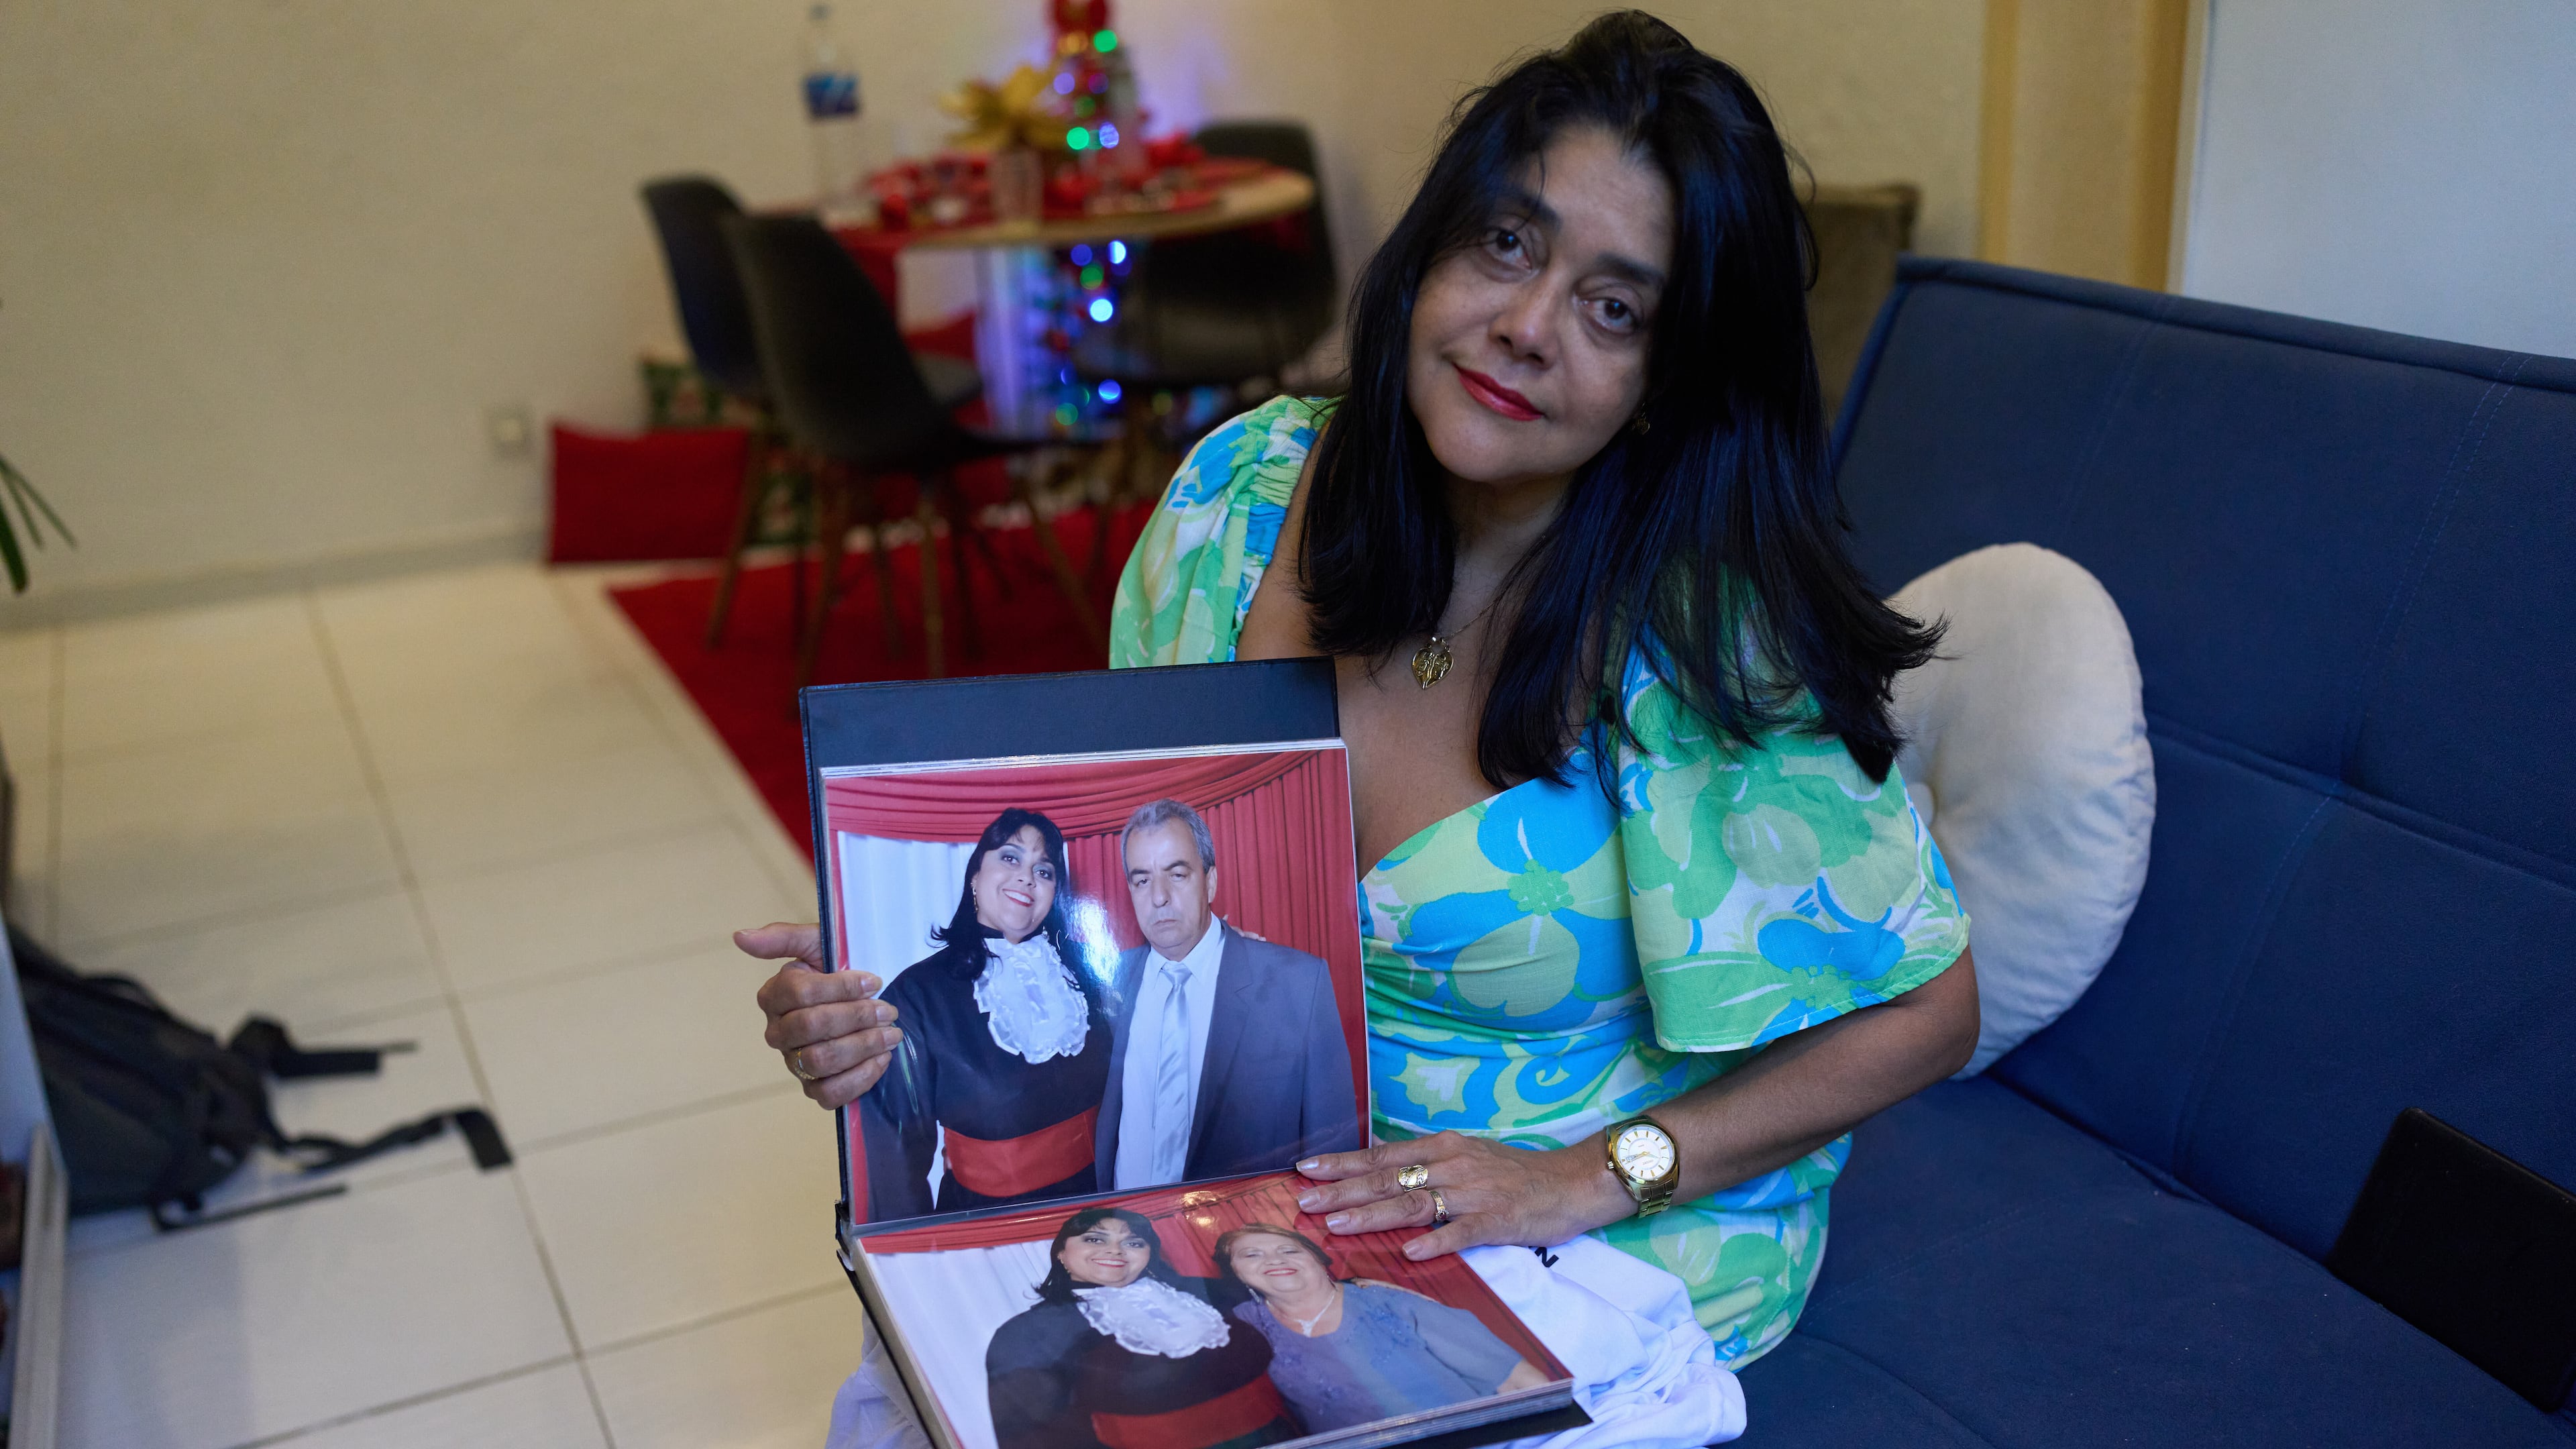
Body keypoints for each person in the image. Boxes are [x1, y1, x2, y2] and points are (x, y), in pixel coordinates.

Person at [755, 5, 1978, 1395]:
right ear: (1434, 247)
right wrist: (905, 996)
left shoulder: (1706, 635)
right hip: (1241, 1194)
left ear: (1663, 385)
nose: (1524, 326)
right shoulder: (1237, 492)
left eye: (1614, 306)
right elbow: (1124, 921)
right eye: (1507, 243)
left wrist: (1584, 1177)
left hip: (1575, 1253)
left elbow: (1930, 1008)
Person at [853, 809, 1111, 1221]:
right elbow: (895, 1160)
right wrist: (914, 1257)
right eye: (1010, 858)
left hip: (1108, 1210)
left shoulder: (1090, 970)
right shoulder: (916, 997)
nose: (1027, 877)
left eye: (1043, 871)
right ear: (975, 875)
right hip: (992, 1225)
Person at [1096, 799, 1358, 1189]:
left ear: (1211, 881)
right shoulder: (1109, 980)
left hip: (1241, 1237)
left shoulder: (1299, 985)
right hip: (1123, 1231)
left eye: (1178, 874)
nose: (1159, 897)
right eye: (1142, 880)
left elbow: (1335, 1159)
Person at [986, 1207, 1301, 1449]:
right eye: (1094, 1239)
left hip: (1287, 1436)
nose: (1115, 1250)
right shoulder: (1026, 1332)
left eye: (1133, 1242)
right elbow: (1032, 1436)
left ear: (1149, 1254)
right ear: (1061, 1254)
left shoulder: (1211, 1291)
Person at [1218, 1224, 1546, 1433]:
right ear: (1236, 1273)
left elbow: (1521, 1382)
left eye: (1289, 1250)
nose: (1274, 1260)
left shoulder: (1385, 1302)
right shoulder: (1246, 1321)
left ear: (1319, 1260)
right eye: (1252, 1255)